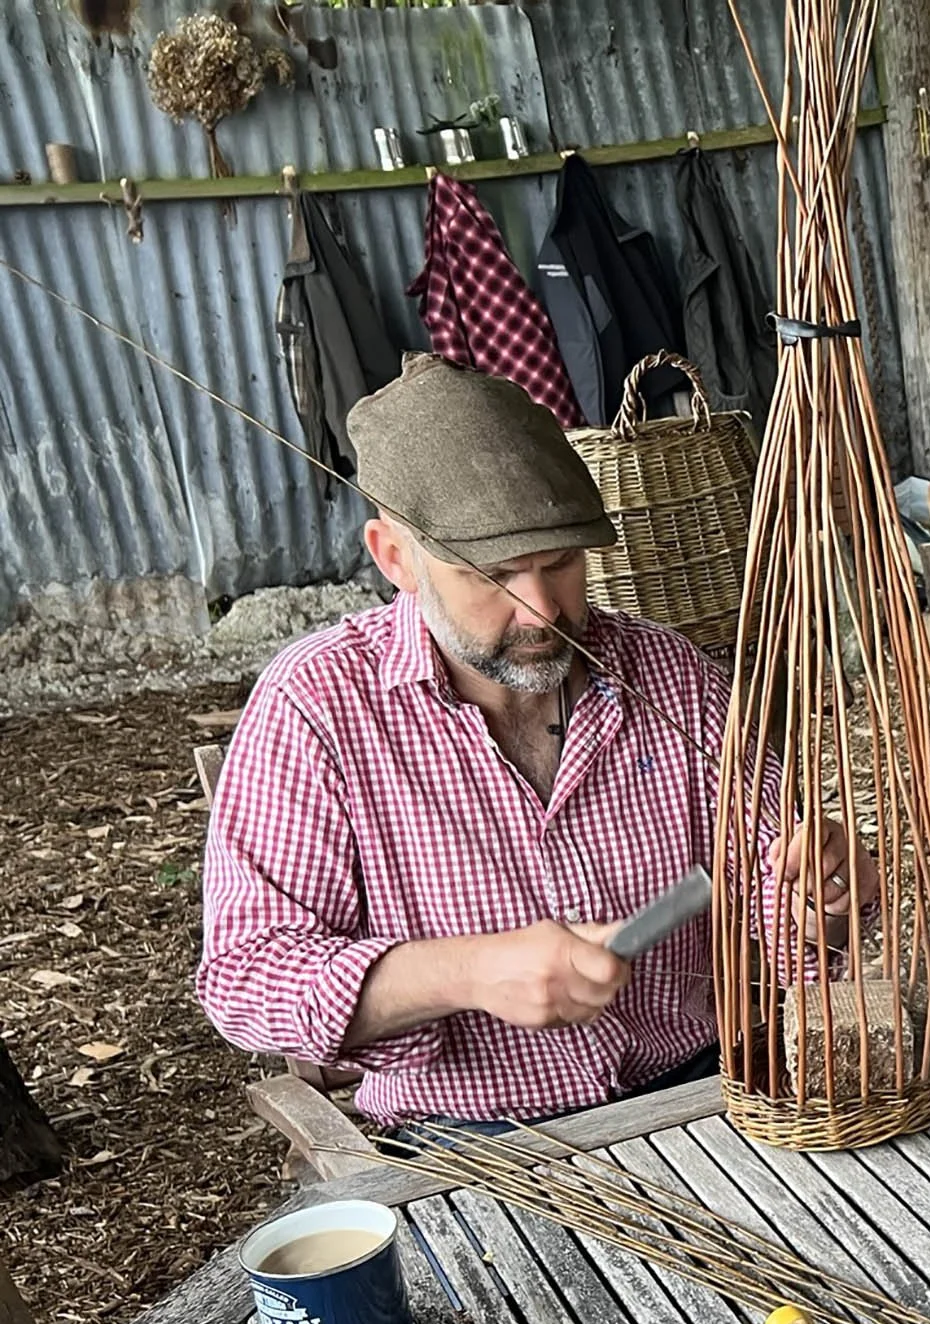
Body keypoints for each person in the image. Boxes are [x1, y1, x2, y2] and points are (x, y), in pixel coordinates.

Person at [197, 355, 867, 1129]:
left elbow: (787, 909)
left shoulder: (668, 673)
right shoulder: (319, 704)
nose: (543, 608)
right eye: (495, 575)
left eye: (561, 562)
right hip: (478, 1138)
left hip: (699, 1095)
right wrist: (468, 971)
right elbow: (247, 981)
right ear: (395, 558)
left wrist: (827, 900)